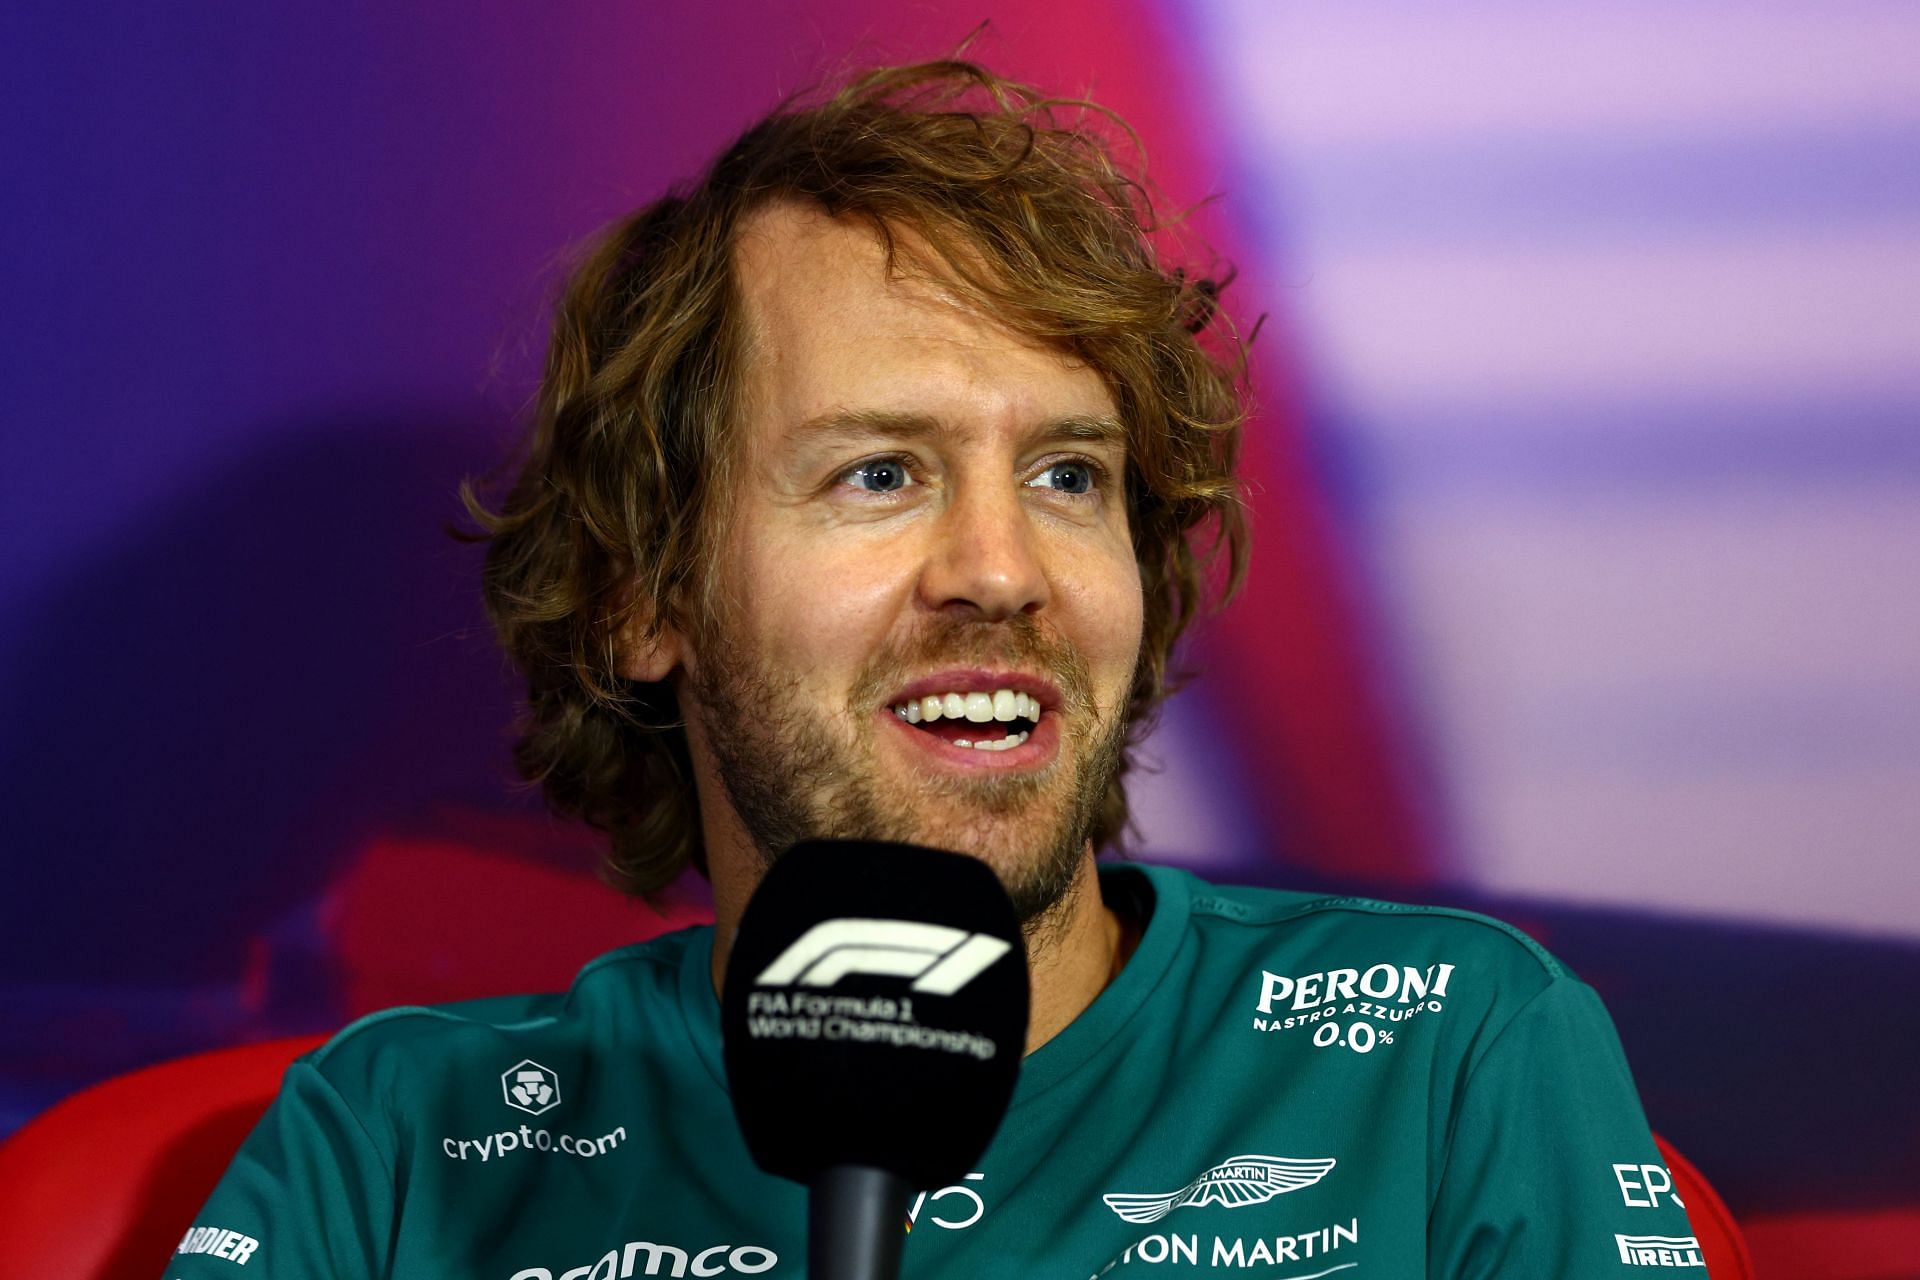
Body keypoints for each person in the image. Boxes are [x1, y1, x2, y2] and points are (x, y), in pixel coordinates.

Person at [169, 61, 1702, 1279]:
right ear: (649, 598)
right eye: (883, 475)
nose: (1003, 568)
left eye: (1068, 477)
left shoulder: (1449, 1049)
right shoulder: (393, 1143)